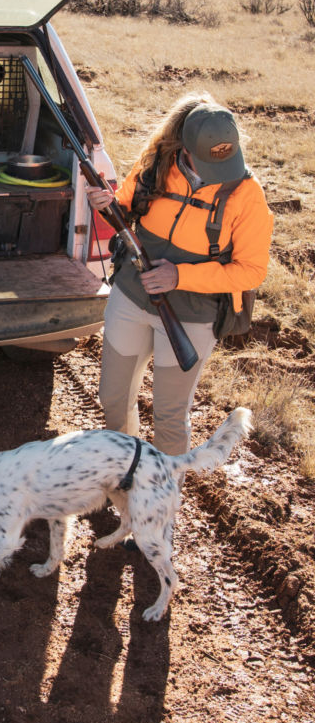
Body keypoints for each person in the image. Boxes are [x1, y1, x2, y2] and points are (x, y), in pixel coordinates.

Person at [86, 92, 273, 456]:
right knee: (113, 399)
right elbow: (125, 203)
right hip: (132, 295)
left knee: (170, 417)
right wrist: (108, 204)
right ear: (185, 149)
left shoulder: (248, 195)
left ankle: (162, 505)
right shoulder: (158, 164)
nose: (219, 173)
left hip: (192, 314)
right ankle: (126, 479)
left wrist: (180, 277)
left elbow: (251, 272)